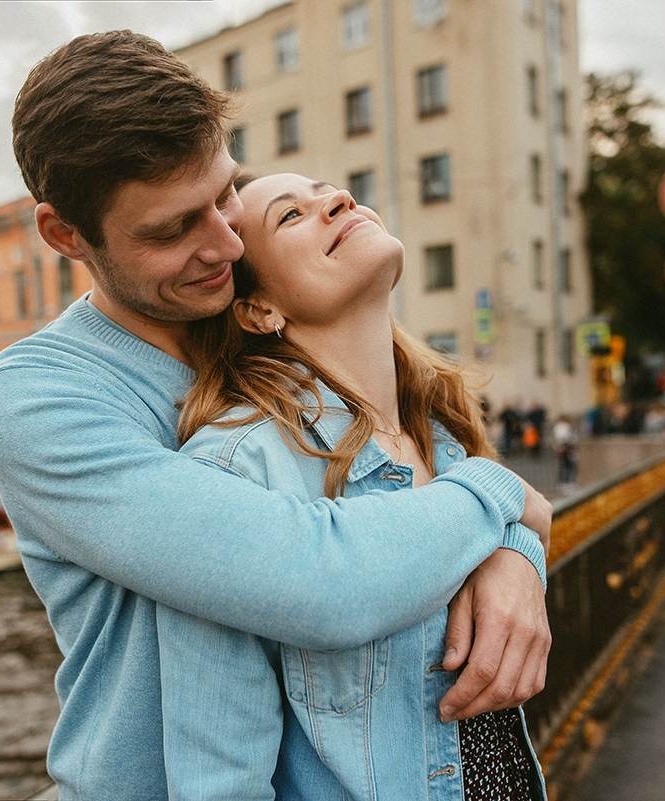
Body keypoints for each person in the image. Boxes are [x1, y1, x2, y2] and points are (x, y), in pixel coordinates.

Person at [0, 30, 551, 799]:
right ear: (64, 234)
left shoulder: (288, 341)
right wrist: (501, 496)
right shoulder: (41, 394)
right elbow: (316, 578)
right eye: (172, 228)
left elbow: (422, 460)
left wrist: (515, 553)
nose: (224, 244)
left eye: (225, 196)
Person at [157, 173, 547, 800]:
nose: (339, 200)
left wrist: (517, 552)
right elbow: (219, 776)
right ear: (260, 310)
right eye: (290, 215)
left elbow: (509, 527)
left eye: (329, 191)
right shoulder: (241, 468)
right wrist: (512, 508)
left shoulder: (441, 428)